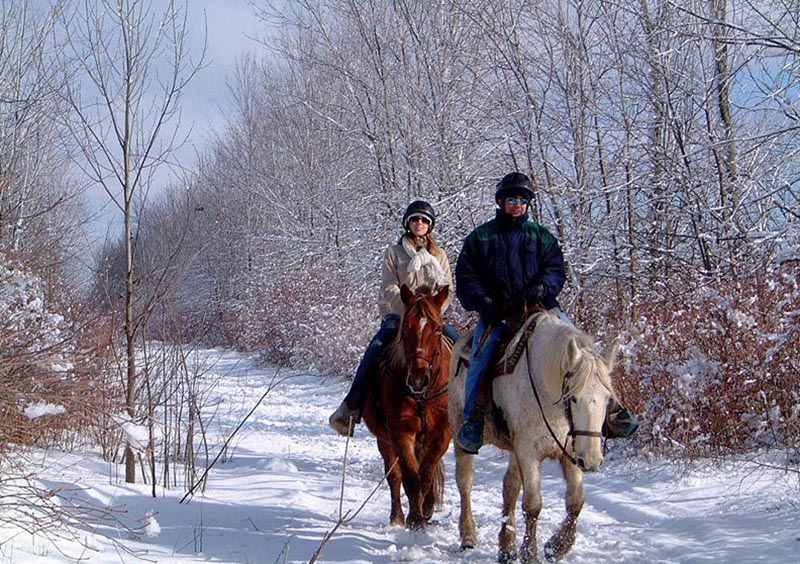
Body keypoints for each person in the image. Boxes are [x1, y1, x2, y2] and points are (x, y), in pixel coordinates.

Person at [454, 172, 637, 454]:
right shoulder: (481, 237)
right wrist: (483, 300)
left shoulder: (541, 236)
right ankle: (473, 421)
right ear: (501, 202)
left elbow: (555, 269)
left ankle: (614, 412)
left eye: (522, 200)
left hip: (541, 307)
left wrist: (542, 286)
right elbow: (466, 276)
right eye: (512, 199)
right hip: (499, 313)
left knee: (584, 349)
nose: (517, 204)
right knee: (480, 355)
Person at [329, 200, 460, 437]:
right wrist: (410, 308)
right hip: (400, 316)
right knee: (376, 347)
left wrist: (431, 310)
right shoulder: (394, 253)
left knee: (462, 347)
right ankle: (352, 406)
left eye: (424, 220)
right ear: (408, 223)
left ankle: (470, 411)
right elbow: (389, 286)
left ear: (429, 225)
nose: (419, 223)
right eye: (415, 219)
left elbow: (447, 289)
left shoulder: (439, 255)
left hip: (430, 318)